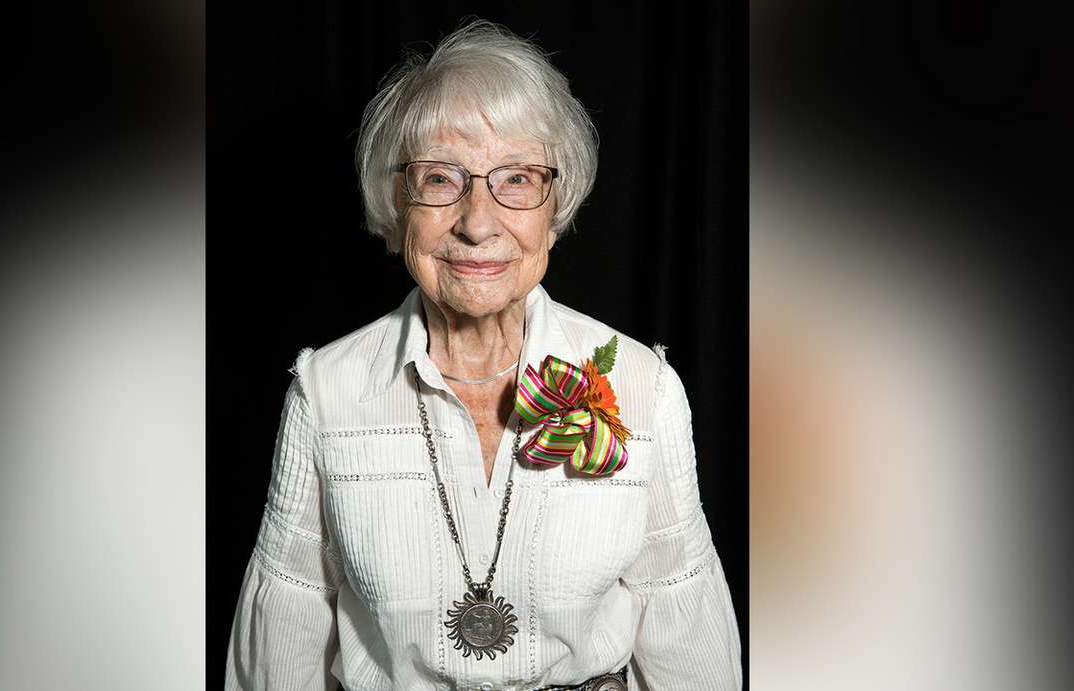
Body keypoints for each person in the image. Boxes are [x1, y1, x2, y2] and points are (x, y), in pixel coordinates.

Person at [225, 18, 741, 691]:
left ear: (555, 202)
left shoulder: (645, 388)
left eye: (517, 179)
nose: (477, 220)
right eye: (441, 178)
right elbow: (280, 646)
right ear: (395, 200)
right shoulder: (327, 392)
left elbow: (686, 632)